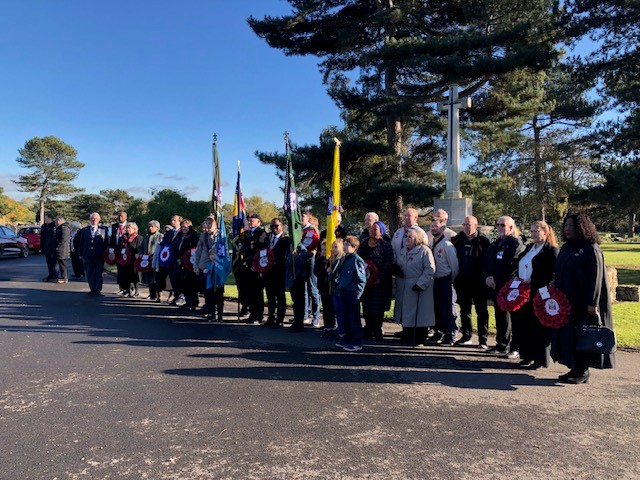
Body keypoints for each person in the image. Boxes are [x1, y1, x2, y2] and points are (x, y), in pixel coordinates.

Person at [552, 213, 615, 384]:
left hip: (584, 302)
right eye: (565, 226)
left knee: (583, 335)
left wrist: (592, 302)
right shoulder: (566, 248)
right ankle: (575, 367)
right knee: (570, 335)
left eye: (571, 226)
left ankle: (583, 370)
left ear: (582, 228)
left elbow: (596, 277)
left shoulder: (591, 248)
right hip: (566, 301)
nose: (567, 229)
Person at [511, 221, 559, 369]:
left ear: (545, 232)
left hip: (541, 292)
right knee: (525, 324)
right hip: (524, 293)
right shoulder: (530, 248)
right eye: (531, 231)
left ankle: (540, 359)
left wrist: (534, 280)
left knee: (539, 326)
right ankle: (527, 355)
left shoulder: (552, 250)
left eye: (536, 231)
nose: (533, 234)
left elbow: (553, 273)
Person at [483, 216, 525, 356]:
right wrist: (488, 277)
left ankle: (515, 347)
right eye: (498, 225)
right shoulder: (496, 243)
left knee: (512, 318)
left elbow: (512, 265)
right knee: (500, 316)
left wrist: (496, 278)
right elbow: (488, 262)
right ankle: (501, 344)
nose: (500, 227)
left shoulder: (515, 243)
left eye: (503, 225)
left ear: (511, 227)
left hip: (509, 286)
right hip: (495, 286)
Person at [452, 215, 490, 348]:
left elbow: (487, 261)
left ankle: (483, 339)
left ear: (476, 225)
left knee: (481, 311)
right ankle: (466, 335)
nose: (467, 227)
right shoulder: (458, 239)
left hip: (479, 282)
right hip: (462, 281)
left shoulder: (483, 241)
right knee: (464, 310)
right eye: (465, 225)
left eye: (469, 225)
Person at [393, 229, 436, 345]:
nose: (407, 238)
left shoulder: (424, 251)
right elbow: (399, 264)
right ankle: (407, 334)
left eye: (410, 237)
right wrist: (397, 270)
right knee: (406, 312)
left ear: (417, 238)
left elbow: (430, 269)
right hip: (404, 285)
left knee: (419, 312)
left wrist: (420, 284)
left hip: (418, 286)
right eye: (406, 236)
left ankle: (420, 337)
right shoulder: (403, 251)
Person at [391, 208, 427, 337]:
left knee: (413, 307)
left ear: (416, 218)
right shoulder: (399, 232)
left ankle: (415, 332)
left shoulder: (421, 233)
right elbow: (394, 250)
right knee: (403, 305)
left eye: (409, 216)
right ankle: (405, 328)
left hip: (414, 277)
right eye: (405, 215)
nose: (406, 218)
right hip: (401, 273)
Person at [357, 221, 394, 341]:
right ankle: (368, 328)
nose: (372, 231)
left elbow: (388, 262)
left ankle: (377, 329)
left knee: (378, 308)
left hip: (380, 281)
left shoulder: (385, 245)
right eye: (371, 229)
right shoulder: (364, 243)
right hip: (366, 279)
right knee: (366, 305)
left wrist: (379, 277)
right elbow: (359, 258)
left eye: (376, 229)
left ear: (381, 231)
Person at [332, 235, 367, 352]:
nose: (346, 247)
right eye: (345, 244)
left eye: (348, 245)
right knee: (345, 318)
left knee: (354, 319)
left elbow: (361, 279)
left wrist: (357, 295)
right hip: (343, 292)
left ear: (355, 247)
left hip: (352, 293)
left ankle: (356, 342)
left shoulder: (357, 260)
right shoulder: (345, 258)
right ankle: (346, 339)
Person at [428, 218, 459, 345]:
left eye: (436, 226)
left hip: (445, 279)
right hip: (435, 280)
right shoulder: (432, 244)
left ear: (443, 228)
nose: (433, 228)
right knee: (437, 307)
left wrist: (450, 280)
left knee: (447, 308)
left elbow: (454, 266)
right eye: (431, 226)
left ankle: (450, 334)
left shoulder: (447, 245)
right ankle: (438, 331)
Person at [240, 212, 268, 323]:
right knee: (249, 291)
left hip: (256, 266)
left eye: (253, 220)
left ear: (258, 222)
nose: (250, 221)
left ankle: (258, 315)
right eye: (249, 220)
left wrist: (255, 264)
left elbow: (261, 250)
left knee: (257, 292)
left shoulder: (261, 233)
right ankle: (253, 313)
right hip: (248, 265)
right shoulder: (247, 233)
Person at [264, 218, 291, 328]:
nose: (274, 228)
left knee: (280, 296)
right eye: (272, 227)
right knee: (270, 296)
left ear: (282, 226)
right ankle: (271, 317)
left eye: (276, 226)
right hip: (268, 271)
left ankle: (279, 319)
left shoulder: (286, 239)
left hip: (280, 271)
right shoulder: (267, 238)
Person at [77, 212, 109, 295]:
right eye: (92, 218)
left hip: (99, 255)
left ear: (99, 220)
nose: (94, 220)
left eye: (96, 218)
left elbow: (106, 242)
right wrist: (80, 254)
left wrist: (106, 252)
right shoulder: (84, 230)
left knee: (98, 273)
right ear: (90, 220)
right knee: (90, 273)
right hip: (87, 255)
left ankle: (98, 289)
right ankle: (92, 288)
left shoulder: (103, 229)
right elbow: (81, 243)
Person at [300, 211, 321, 326]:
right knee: (304, 289)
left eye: (303, 217)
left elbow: (310, 244)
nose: (301, 219)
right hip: (301, 260)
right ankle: (305, 315)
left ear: (308, 218)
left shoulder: (311, 230)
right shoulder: (299, 230)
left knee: (313, 288)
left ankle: (316, 316)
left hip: (310, 259)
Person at [286, 243, 312, 333]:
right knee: (295, 302)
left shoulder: (302, 248)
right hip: (292, 279)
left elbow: (301, 262)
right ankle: (296, 322)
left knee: (299, 303)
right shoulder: (289, 247)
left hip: (299, 278)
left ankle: (299, 324)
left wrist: (296, 255)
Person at [175, 219, 200, 311]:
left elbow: (193, 249)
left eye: (185, 227)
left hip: (190, 262)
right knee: (183, 283)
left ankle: (193, 303)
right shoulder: (180, 235)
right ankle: (187, 301)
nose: (183, 229)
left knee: (191, 284)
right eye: (182, 227)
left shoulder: (193, 237)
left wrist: (184, 259)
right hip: (180, 262)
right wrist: (178, 258)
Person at [195, 217, 217, 316]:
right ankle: (208, 307)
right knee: (205, 289)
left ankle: (214, 309)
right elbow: (198, 252)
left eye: (210, 224)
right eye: (206, 224)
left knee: (214, 290)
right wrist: (196, 265)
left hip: (215, 267)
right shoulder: (203, 236)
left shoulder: (219, 235)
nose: (207, 226)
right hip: (203, 265)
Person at [315, 240, 336, 337]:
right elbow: (316, 271)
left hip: (332, 288)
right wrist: (324, 271)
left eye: (325, 250)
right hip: (323, 286)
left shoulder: (333, 261)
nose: (323, 252)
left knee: (331, 308)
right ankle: (327, 326)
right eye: (322, 249)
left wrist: (329, 270)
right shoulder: (320, 259)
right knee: (326, 307)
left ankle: (332, 327)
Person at [117, 222, 143, 297]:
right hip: (125, 259)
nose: (128, 229)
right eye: (127, 228)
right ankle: (128, 290)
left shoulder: (138, 237)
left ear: (134, 229)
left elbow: (139, 247)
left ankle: (136, 290)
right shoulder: (123, 238)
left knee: (135, 274)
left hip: (134, 259)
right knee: (126, 274)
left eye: (130, 228)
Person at [141, 220, 164, 302]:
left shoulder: (160, 236)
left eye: (152, 226)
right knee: (149, 277)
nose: (150, 228)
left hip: (155, 259)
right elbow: (142, 247)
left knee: (156, 278)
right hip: (146, 259)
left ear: (157, 227)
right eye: (149, 226)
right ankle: (151, 294)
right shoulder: (146, 237)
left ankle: (158, 295)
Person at [41, 213, 58, 282]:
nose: (45, 220)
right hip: (46, 247)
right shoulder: (44, 226)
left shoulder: (54, 226)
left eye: (46, 218)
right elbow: (42, 237)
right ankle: (50, 275)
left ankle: (55, 276)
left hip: (53, 247)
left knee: (54, 263)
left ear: (50, 218)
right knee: (49, 263)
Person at [54, 216, 71, 283]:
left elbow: (64, 239)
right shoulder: (60, 228)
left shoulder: (64, 228)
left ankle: (64, 278)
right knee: (61, 264)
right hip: (61, 248)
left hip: (62, 249)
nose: (56, 222)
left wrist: (58, 246)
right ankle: (62, 277)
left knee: (63, 264)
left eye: (57, 221)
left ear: (60, 221)